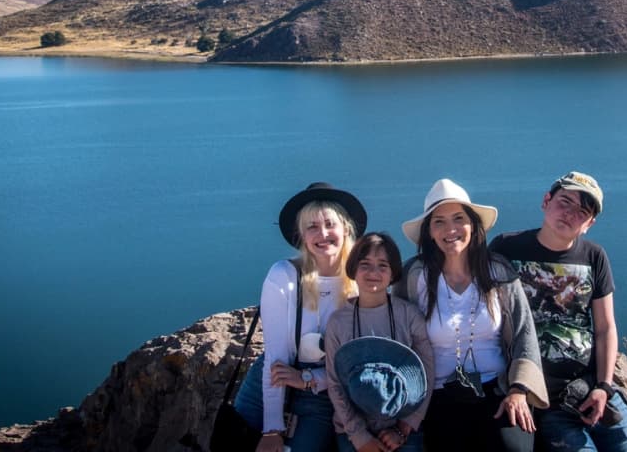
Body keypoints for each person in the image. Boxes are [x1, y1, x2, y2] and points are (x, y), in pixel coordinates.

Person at [490, 172, 627, 452]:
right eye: (565, 202)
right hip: (545, 396)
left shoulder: (594, 257)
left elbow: (605, 327)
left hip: (590, 388)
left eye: (582, 212)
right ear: (546, 201)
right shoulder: (506, 248)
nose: (570, 214)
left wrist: (604, 387)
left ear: (589, 224)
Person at [393, 178, 549, 452]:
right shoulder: (414, 276)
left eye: (458, 218)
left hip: (498, 390)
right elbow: (396, 338)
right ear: (429, 231)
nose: (450, 229)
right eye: (438, 221)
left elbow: (525, 333)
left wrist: (519, 390)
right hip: (438, 394)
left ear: (473, 225)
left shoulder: (498, 272)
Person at [234, 182, 368, 452]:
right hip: (269, 388)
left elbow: (356, 364)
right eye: (312, 227)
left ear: (346, 228)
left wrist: (308, 379)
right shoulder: (284, 276)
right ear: (302, 235)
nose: (323, 234)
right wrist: (272, 429)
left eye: (330, 224)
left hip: (321, 394)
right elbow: (276, 358)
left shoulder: (361, 283)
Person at [324, 232, 434, 452]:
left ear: (393, 273)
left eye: (383, 265)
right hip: (352, 432)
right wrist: (359, 436)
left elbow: (427, 372)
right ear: (353, 269)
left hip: (401, 430)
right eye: (365, 264)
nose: (374, 272)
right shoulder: (338, 322)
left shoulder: (409, 315)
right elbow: (335, 383)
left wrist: (404, 428)